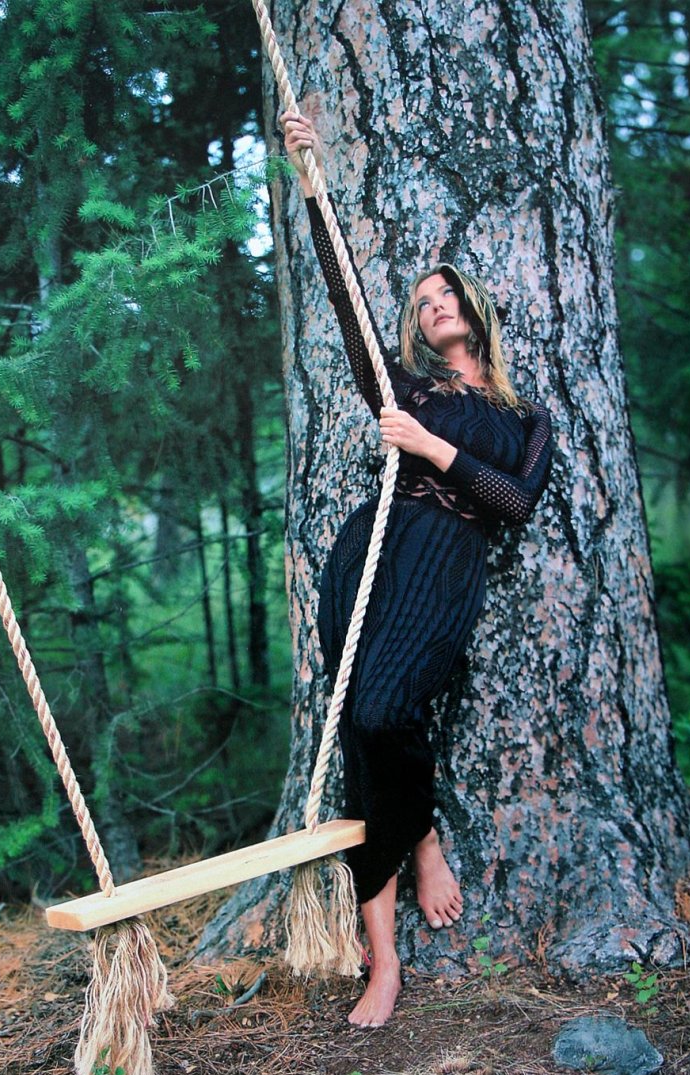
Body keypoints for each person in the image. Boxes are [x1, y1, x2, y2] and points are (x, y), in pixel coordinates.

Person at [282, 112, 553, 1028]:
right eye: (423, 299)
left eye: (447, 295)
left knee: (384, 710)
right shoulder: (409, 386)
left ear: (474, 309)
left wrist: (432, 447)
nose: (432, 303)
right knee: (359, 733)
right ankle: (385, 959)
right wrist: (311, 178)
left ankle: (422, 833)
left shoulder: (523, 417)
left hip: (445, 562)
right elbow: (350, 310)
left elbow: (512, 506)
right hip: (372, 551)